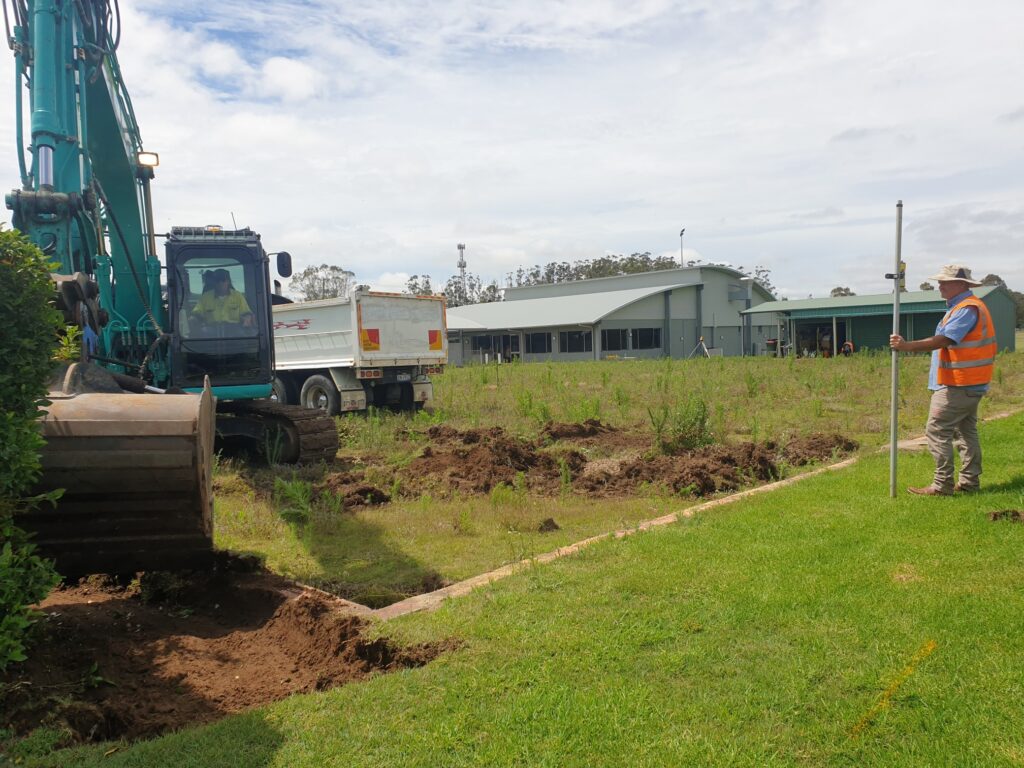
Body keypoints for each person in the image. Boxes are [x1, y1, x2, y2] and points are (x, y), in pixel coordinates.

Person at [889, 265, 996, 496]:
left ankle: (942, 485)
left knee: (937, 430)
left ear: (962, 284)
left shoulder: (966, 309)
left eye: (945, 282)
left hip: (959, 385)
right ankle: (969, 483)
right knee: (966, 433)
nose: (940, 285)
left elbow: (944, 339)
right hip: (969, 383)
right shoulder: (962, 307)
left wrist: (907, 346)